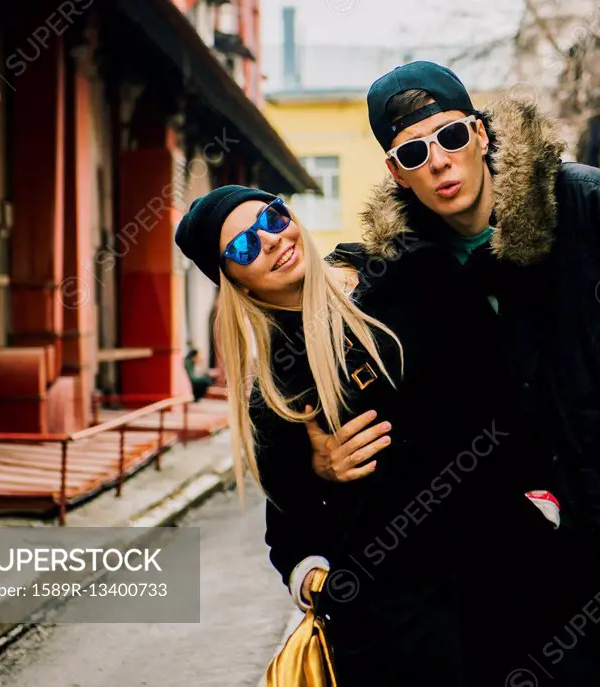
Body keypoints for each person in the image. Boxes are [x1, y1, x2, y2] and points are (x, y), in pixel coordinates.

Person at [305, 61, 600, 685]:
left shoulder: (595, 208)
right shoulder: (408, 279)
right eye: (414, 151)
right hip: (567, 567)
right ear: (397, 172)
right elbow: (311, 376)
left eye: (451, 137)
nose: (440, 161)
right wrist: (312, 462)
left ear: (480, 134)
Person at [173, 185, 562, 686]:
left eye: (271, 217)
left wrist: (543, 497)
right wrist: (319, 571)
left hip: (504, 571)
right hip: (395, 629)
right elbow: (289, 530)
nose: (269, 240)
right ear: (234, 281)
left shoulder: (402, 270)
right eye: (243, 247)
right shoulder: (277, 390)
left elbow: (502, 379)